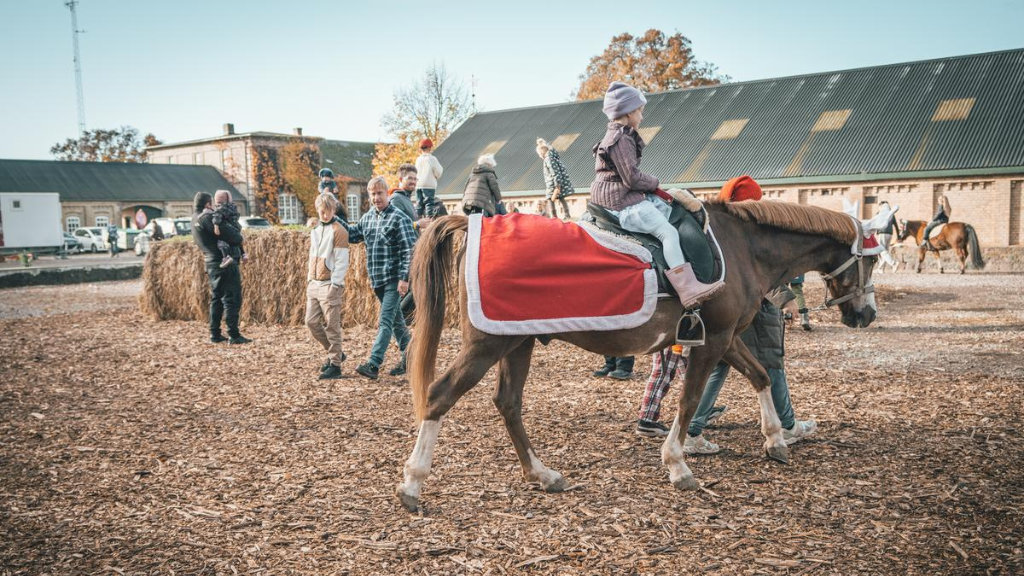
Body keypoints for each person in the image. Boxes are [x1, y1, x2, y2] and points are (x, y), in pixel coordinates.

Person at [590, 81, 721, 309]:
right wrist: (654, 182)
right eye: (640, 111)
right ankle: (688, 289)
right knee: (668, 233)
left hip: (619, 195)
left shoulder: (619, 135)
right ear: (628, 111)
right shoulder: (620, 139)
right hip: (622, 201)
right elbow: (631, 177)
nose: (641, 116)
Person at [634, 287, 817, 451]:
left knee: (718, 366)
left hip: (734, 305)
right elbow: (761, 263)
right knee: (770, 364)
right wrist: (785, 298)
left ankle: (691, 430)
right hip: (754, 307)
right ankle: (787, 425)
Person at [342, 177, 417, 379]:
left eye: (379, 193)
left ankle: (373, 364)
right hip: (378, 280)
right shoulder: (367, 218)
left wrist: (404, 278)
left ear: (387, 194)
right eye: (373, 194)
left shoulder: (399, 218)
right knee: (396, 322)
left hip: (394, 279)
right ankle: (411, 358)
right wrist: (333, 218)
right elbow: (352, 235)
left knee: (385, 322)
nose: (376, 198)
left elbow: (410, 249)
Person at [191, 190, 251, 344]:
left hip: (209, 262)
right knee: (232, 298)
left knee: (216, 298)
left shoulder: (194, 219)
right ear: (207, 204)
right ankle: (234, 334)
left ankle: (215, 333)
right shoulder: (207, 217)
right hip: (224, 262)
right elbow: (235, 236)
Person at [306, 192, 350, 380]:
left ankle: (335, 365)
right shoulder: (315, 230)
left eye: (329, 211)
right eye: (322, 211)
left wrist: (336, 284)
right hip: (314, 283)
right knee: (311, 322)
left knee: (332, 326)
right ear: (318, 210)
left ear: (334, 210)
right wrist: (309, 279)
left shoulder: (339, 231)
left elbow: (341, 261)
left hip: (329, 283)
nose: (325, 214)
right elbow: (311, 257)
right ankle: (336, 353)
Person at [536, 138, 574, 220]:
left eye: (539, 154)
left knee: (550, 198)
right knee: (561, 197)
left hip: (553, 183)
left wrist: (557, 185)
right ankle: (567, 215)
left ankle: (554, 216)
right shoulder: (553, 157)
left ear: (542, 152)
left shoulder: (549, 159)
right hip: (557, 182)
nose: (540, 156)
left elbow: (555, 172)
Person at [210, 197, 246, 268]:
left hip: (228, 230)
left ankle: (226, 256)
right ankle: (243, 254)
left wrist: (216, 225)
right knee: (237, 243)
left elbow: (217, 215)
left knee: (221, 243)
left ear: (218, 201)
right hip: (235, 229)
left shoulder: (221, 209)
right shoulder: (233, 208)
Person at [415, 138, 444, 217]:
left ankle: (418, 219)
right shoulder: (432, 159)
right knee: (429, 203)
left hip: (418, 185)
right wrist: (436, 177)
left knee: (419, 204)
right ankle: (428, 221)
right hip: (428, 185)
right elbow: (439, 171)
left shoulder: (418, 159)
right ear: (429, 147)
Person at [874, 200, 901, 273]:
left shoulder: (879, 213)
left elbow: (874, 223)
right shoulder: (891, 213)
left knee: (881, 250)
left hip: (882, 233)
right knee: (885, 251)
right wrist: (898, 236)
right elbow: (896, 225)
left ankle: (894, 263)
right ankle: (881, 269)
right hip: (890, 234)